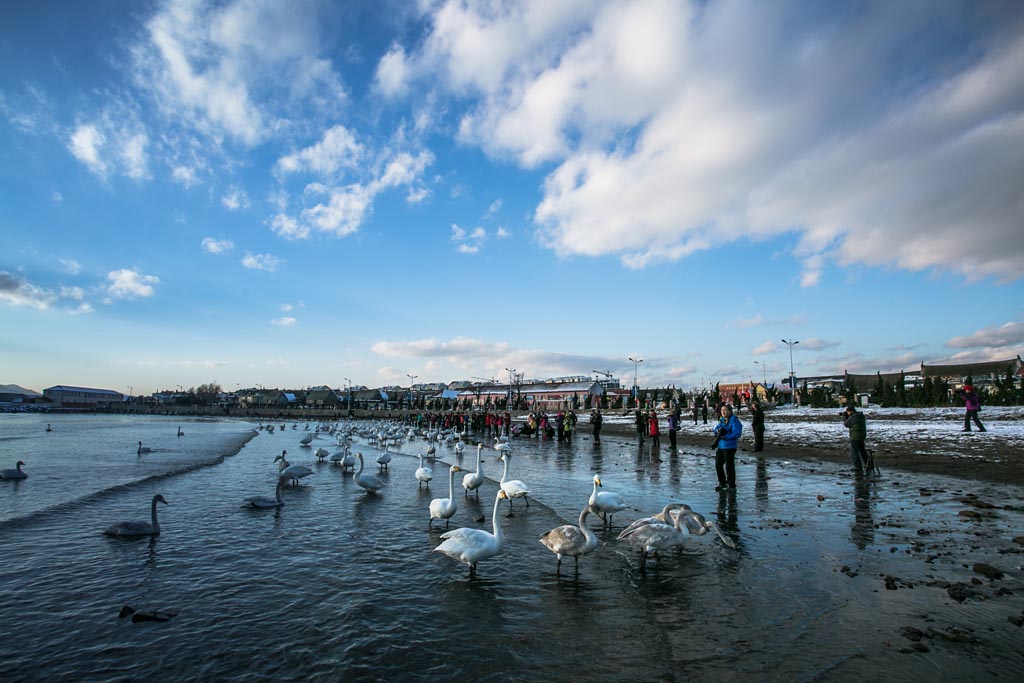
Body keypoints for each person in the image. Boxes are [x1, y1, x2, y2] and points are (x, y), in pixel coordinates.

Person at [713, 405, 743, 490]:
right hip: (721, 446)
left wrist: (726, 436)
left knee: (729, 466)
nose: (723, 412)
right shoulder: (722, 421)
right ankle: (722, 483)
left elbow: (737, 433)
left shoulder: (734, 421)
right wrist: (718, 431)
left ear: (730, 411)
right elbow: (715, 429)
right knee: (718, 464)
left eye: (725, 410)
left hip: (730, 446)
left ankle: (731, 484)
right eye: (722, 410)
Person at [843, 404, 869, 477]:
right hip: (862, 436)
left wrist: (845, 417)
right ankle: (868, 464)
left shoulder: (853, 417)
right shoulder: (860, 415)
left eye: (847, 412)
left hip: (855, 436)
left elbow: (846, 424)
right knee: (862, 450)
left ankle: (858, 467)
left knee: (854, 452)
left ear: (850, 411)